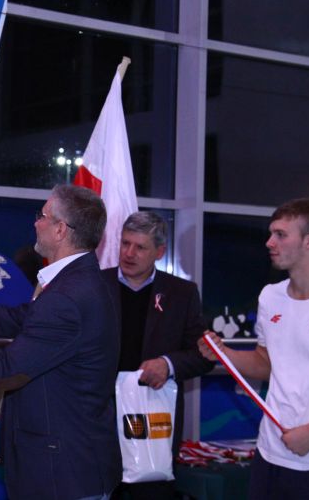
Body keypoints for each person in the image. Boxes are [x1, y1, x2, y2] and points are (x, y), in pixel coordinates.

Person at [0, 184, 122, 500]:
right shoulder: (77, 283)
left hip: (62, 476)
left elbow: (5, 370)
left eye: (42, 216)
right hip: (70, 467)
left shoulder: (67, 296)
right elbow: (14, 319)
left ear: (60, 230)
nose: (35, 222)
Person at [199, 198, 309, 500]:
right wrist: (224, 353)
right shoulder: (270, 296)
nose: (269, 242)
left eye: (281, 235)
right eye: (271, 233)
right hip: (271, 454)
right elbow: (265, 363)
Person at [103, 211, 213, 499]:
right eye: (125, 243)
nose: (129, 253)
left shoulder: (182, 293)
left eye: (140, 247)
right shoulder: (96, 285)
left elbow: (203, 355)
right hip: (98, 422)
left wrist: (169, 364)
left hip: (152, 424)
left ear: (160, 252)